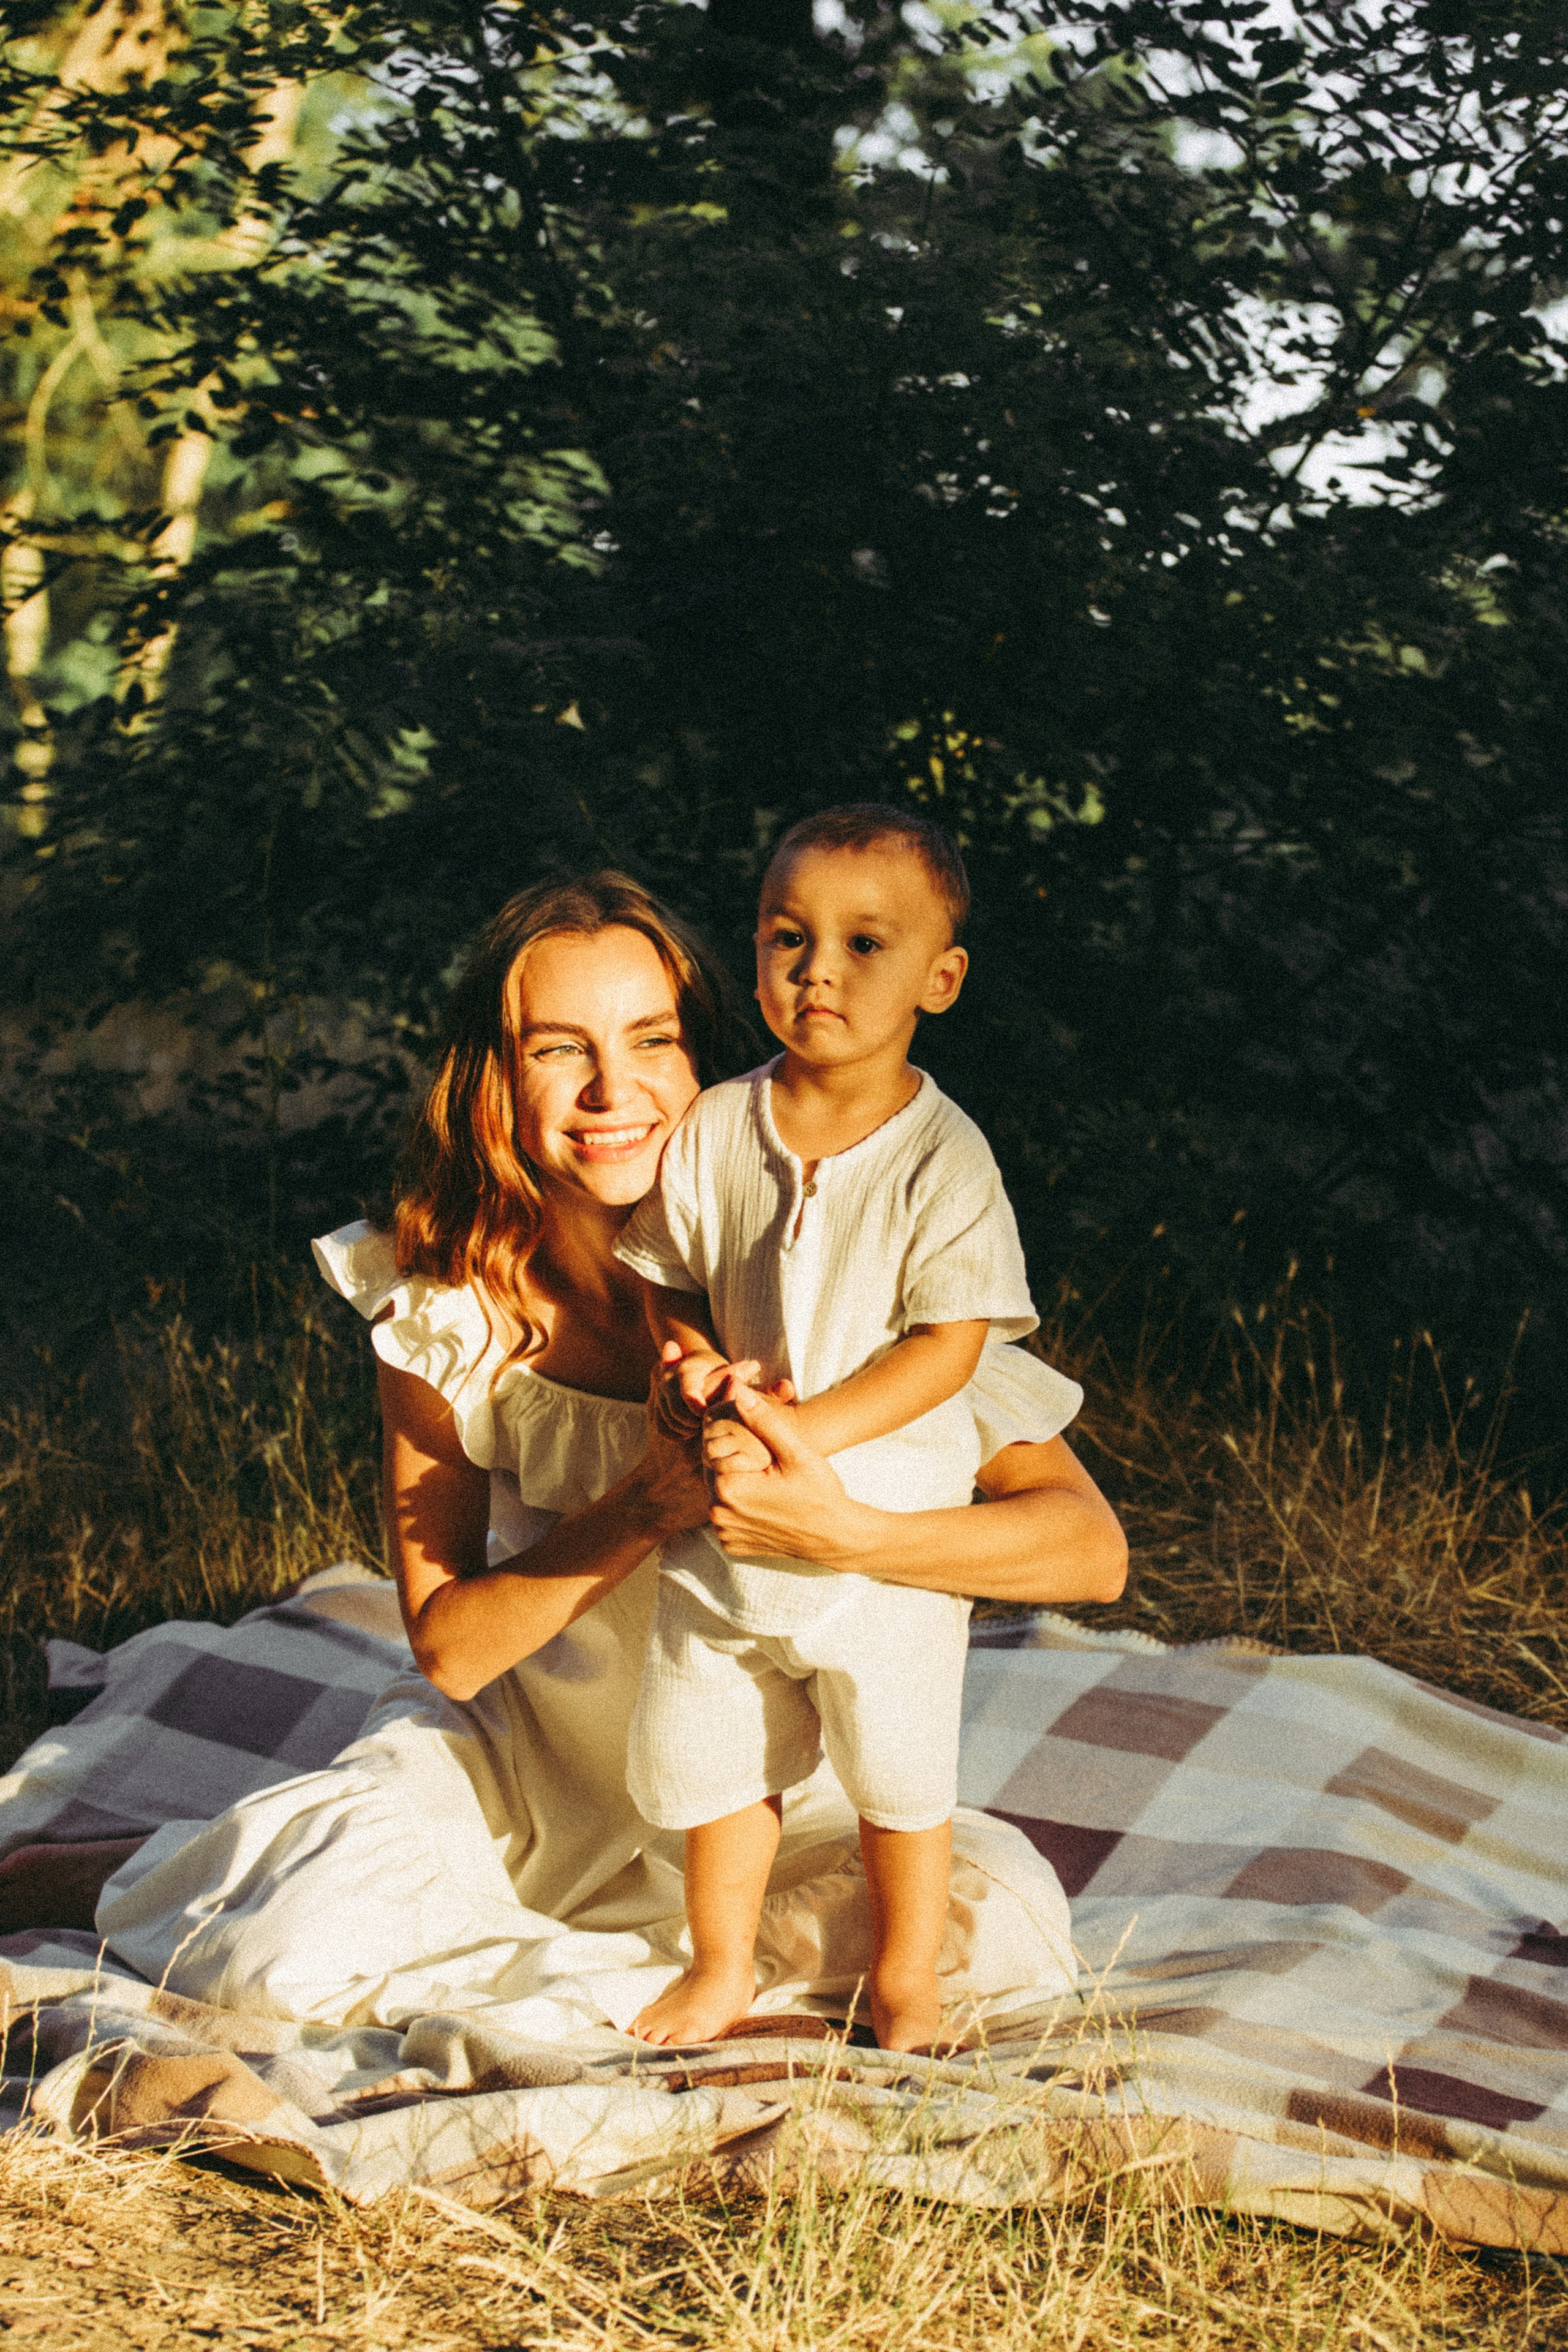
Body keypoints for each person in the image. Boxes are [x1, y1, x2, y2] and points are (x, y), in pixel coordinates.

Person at [1, 873, 1128, 2044]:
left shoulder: (834, 1271)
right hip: (524, 1779)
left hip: (769, 1795)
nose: (613, 1091)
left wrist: (851, 1537)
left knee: (1001, 1930)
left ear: (717, 1064)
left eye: (653, 1040)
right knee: (280, 1954)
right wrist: (647, 1502)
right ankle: (152, 1873)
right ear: (498, 1080)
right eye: (558, 1050)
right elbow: (448, 1645)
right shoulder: (453, 1303)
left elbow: (1088, 1553)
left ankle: (566, 1958)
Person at [619, 805, 1035, 2053]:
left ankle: (907, 1981)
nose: (818, 970)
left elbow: (948, 1343)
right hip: (733, 1504)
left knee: (898, 1773)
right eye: (788, 938)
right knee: (720, 1754)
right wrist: (687, 1364)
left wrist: (817, 1421)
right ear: (753, 959)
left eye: (865, 945)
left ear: (938, 980)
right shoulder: (713, 1129)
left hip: (880, 1515)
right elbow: (664, 1274)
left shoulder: (941, 1158)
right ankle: (721, 1966)